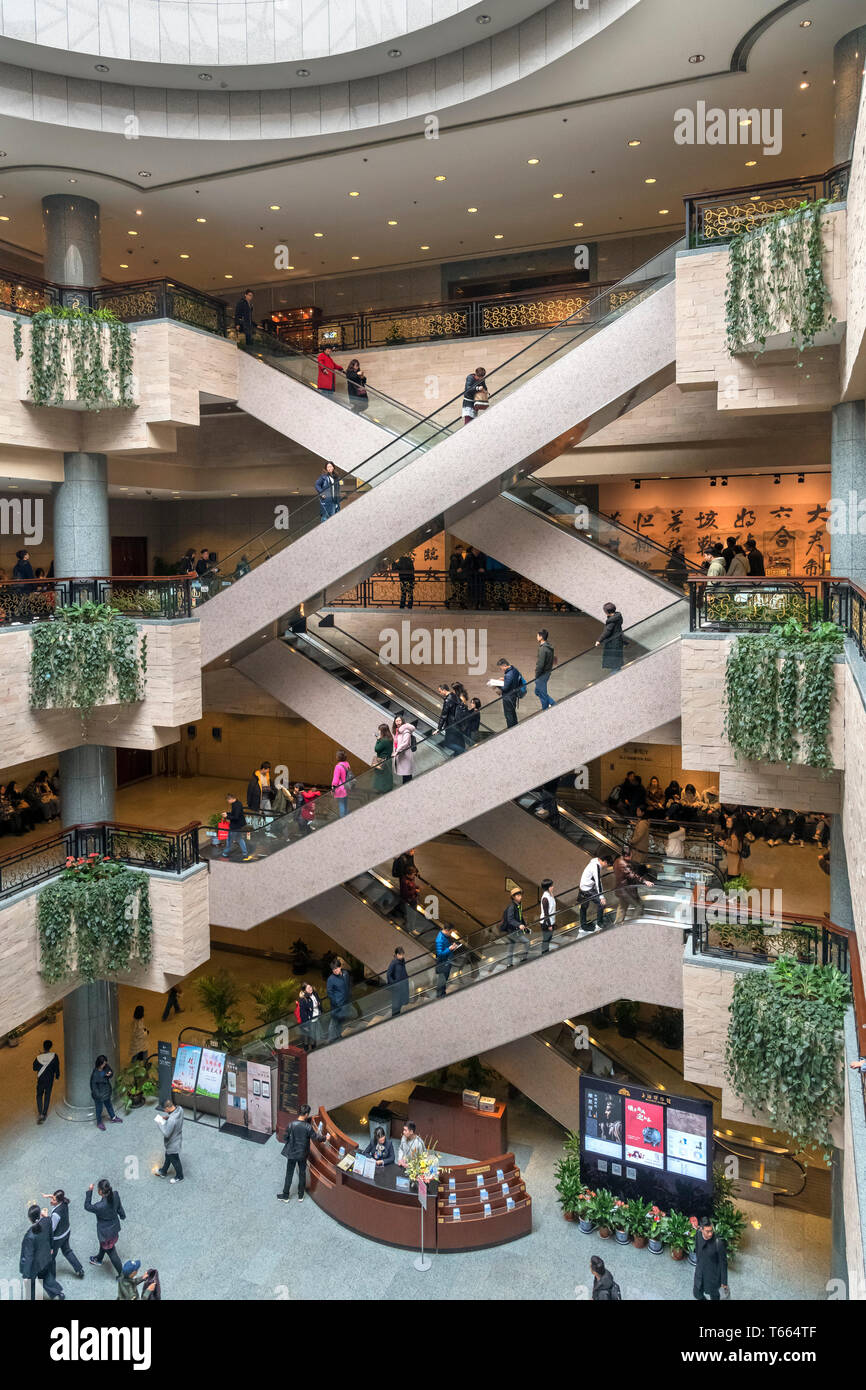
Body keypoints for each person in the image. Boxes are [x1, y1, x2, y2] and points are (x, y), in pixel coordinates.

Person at [20, 1203, 63, 1300]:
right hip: (45, 1257)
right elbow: (51, 1234)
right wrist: (51, 1248)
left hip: (34, 1265)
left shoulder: (29, 1236)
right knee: (46, 1277)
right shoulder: (47, 1221)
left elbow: (28, 1256)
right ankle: (58, 1293)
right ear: (40, 1215)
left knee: (30, 1285)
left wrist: (26, 1275)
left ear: (29, 1219)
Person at [277, 1104, 319, 1202]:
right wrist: (326, 1138)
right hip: (303, 1154)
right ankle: (300, 1196)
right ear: (306, 1114)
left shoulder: (291, 1124)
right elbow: (316, 1138)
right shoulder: (308, 1127)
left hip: (291, 1154)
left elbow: (285, 1138)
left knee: (289, 1174)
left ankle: (286, 1195)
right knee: (302, 1174)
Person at [86, 1179, 126, 1275]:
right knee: (103, 1244)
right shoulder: (115, 1194)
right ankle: (99, 1259)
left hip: (106, 1233)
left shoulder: (99, 1206)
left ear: (100, 1191)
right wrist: (122, 1215)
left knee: (112, 1253)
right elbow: (119, 1207)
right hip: (114, 1228)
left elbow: (87, 1206)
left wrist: (89, 1191)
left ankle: (122, 1275)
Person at [43, 1190, 84, 1278]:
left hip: (57, 1238)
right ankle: (79, 1269)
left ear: (58, 1201)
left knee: (51, 1257)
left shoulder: (56, 1214)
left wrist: (45, 1217)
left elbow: (52, 1228)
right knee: (67, 1251)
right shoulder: (64, 1203)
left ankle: (51, 1277)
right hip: (66, 1232)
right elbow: (59, 1198)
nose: (51, 1201)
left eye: (53, 1200)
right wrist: (49, 1195)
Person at [693, 1217, 729, 1301]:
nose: (710, 1234)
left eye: (711, 1230)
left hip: (712, 1275)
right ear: (701, 1229)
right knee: (697, 1293)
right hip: (700, 1271)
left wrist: (724, 1281)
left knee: (714, 1294)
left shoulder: (718, 1243)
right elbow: (697, 1248)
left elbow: (723, 1263)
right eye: (707, 1231)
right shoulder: (698, 1234)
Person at [612, 849, 652, 923]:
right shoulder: (625, 864)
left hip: (620, 890)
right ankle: (632, 924)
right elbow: (633, 876)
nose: (632, 856)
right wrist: (645, 881)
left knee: (622, 908)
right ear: (628, 855)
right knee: (639, 906)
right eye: (631, 855)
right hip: (627, 891)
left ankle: (617, 924)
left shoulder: (617, 861)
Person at [154, 1098, 184, 1183]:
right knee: (168, 1155)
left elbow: (166, 1133)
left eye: (164, 1109)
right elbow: (174, 1119)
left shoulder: (172, 1120)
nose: (165, 1111)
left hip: (172, 1143)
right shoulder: (180, 1109)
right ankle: (163, 1171)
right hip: (178, 1138)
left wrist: (160, 1123)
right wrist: (167, 1117)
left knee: (175, 1160)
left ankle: (179, 1176)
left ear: (167, 1108)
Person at [488, 657, 522, 729]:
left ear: (504, 665)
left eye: (501, 668)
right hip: (513, 696)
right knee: (513, 714)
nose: (501, 670)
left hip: (508, 698)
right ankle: (515, 729)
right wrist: (504, 679)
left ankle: (510, 730)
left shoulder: (509, 674)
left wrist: (495, 683)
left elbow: (505, 688)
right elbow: (513, 680)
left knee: (508, 715)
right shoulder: (514, 670)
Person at [579, 855, 611, 932]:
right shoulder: (596, 867)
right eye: (608, 865)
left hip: (582, 887)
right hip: (587, 889)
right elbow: (598, 883)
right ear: (605, 862)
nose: (607, 867)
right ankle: (599, 924)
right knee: (601, 903)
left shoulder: (595, 861)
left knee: (583, 907)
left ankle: (583, 926)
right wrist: (602, 897)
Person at [90, 1055, 122, 1131]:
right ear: (99, 1064)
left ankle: (113, 1117)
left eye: (105, 1063)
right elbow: (94, 1088)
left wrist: (109, 1074)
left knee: (109, 1105)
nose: (105, 1064)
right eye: (104, 1063)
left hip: (106, 1092)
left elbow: (111, 1071)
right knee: (99, 1109)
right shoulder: (95, 1074)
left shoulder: (106, 1067)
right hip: (99, 1096)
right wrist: (99, 1096)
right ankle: (99, 1122)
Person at [501, 886, 530, 968]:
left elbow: (520, 916)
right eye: (518, 896)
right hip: (513, 931)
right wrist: (519, 925)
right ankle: (523, 957)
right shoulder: (512, 907)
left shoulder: (518, 904)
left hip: (514, 930)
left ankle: (509, 964)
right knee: (526, 942)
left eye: (520, 895)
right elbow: (510, 919)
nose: (520, 897)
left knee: (511, 947)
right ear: (513, 897)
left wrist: (524, 924)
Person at [33, 1039, 60, 1124]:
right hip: (49, 1080)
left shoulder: (38, 1057)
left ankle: (40, 1113)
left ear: (43, 1047)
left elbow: (34, 1068)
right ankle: (44, 1113)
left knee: (39, 1095)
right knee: (47, 1095)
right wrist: (57, 1076)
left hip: (41, 1079)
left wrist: (40, 1057)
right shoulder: (54, 1056)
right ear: (50, 1047)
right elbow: (57, 1067)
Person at [326, 959, 353, 1040]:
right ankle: (331, 1039)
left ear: (340, 967)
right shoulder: (330, 979)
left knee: (341, 1021)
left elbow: (348, 985)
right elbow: (330, 993)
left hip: (345, 1003)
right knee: (333, 1022)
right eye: (333, 969)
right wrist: (336, 1004)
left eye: (336, 968)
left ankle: (338, 1035)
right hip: (337, 1006)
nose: (335, 970)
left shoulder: (346, 974)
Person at [438, 683, 466, 755]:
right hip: (458, 723)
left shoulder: (448, 700)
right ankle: (459, 754)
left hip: (451, 725)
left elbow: (444, 715)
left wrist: (439, 728)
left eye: (440, 691)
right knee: (458, 742)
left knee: (448, 743)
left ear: (444, 690)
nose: (440, 693)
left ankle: (464, 752)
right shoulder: (454, 695)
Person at [596, 602, 625, 671]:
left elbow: (607, 631)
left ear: (606, 612)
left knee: (614, 663)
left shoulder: (611, 621)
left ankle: (616, 675)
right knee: (617, 662)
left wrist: (599, 640)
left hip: (613, 643)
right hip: (618, 641)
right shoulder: (618, 616)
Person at [221, 792, 250, 859]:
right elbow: (235, 814)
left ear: (230, 799)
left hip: (235, 826)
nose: (228, 802)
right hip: (239, 825)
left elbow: (236, 817)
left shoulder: (236, 805)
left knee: (229, 840)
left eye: (228, 800)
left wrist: (227, 816)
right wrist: (227, 813)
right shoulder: (238, 803)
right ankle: (245, 853)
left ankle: (225, 853)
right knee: (239, 839)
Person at [435, 924, 461, 996]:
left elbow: (445, 947)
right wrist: (449, 949)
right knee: (442, 979)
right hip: (443, 962)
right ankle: (440, 994)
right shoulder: (440, 940)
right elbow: (440, 954)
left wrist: (452, 946)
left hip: (447, 960)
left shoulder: (445, 936)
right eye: (450, 932)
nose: (451, 933)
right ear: (446, 930)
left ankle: (442, 993)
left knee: (444, 978)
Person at [535, 628, 556, 710]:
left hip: (542, 674)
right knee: (537, 691)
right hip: (547, 673)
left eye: (537, 635)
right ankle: (552, 703)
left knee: (542, 694)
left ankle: (545, 710)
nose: (536, 637)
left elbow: (540, 664)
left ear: (541, 637)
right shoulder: (549, 646)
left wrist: (537, 675)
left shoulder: (543, 649)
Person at [716, 814, 743, 878]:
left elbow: (734, 849)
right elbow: (732, 844)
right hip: (732, 861)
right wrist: (725, 842)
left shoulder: (734, 835)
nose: (726, 823)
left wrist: (724, 845)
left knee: (732, 880)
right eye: (726, 821)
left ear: (733, 823)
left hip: (734, 862)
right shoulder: (733, 832)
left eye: (728, 821)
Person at [298, 982, 323, 1050]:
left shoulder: (315, 993)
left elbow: (319, 1002)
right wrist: (306, 1025)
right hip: (310, 1021)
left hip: (316, 1018)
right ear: (304, 990)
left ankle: (313, 1049)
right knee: (310, 1037)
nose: (310, 989)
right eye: (308, 988)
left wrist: (319, 1005)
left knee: (314, 1036)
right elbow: (302, 1013)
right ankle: (307, 1051)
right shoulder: (303, 1000)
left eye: (310, 987)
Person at [386, 947, 410, 1016]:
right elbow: (388, 974)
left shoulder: (402, 960)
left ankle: (398, 1014)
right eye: (401, 955)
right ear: (397, 954)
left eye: (403, 954)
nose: (402, 956)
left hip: (403, 984)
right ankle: (395, 1016)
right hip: (397, 986)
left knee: (400, 1001)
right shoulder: (393, 963)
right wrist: (394, 984)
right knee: (396, 1002)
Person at [393, 714, 416, 783]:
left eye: (399, 720)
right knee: (405, 774)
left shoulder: (406, 730)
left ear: (402, 721)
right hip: (400, 755)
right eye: (396, 721)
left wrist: (397, 751)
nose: (398, 722)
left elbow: (405, 743)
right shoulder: (397, 731)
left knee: (407, 774)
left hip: (405, 755)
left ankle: (409, 788)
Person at [372, 722, 395, 794]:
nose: (378, 731)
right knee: (387, 775)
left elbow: (376, 749)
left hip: (381, 760)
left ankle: (381, 789)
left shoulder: (383, 740)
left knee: (380, 775)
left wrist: (378, 740)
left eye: (379, 730)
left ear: (382, 731)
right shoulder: (390, 738)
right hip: (388, 759)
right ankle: (387, 789)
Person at [539, 878, 557, 955]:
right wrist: (549, 925)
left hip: (551, 920)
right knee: (546, 939)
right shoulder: (545, 898)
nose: (553, 887)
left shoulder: (550, 894)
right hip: (546, 922)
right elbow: (546, 914)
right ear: (548, 887)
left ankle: (546, 952)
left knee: (549, 938)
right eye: (551, 886)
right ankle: (544, 953)